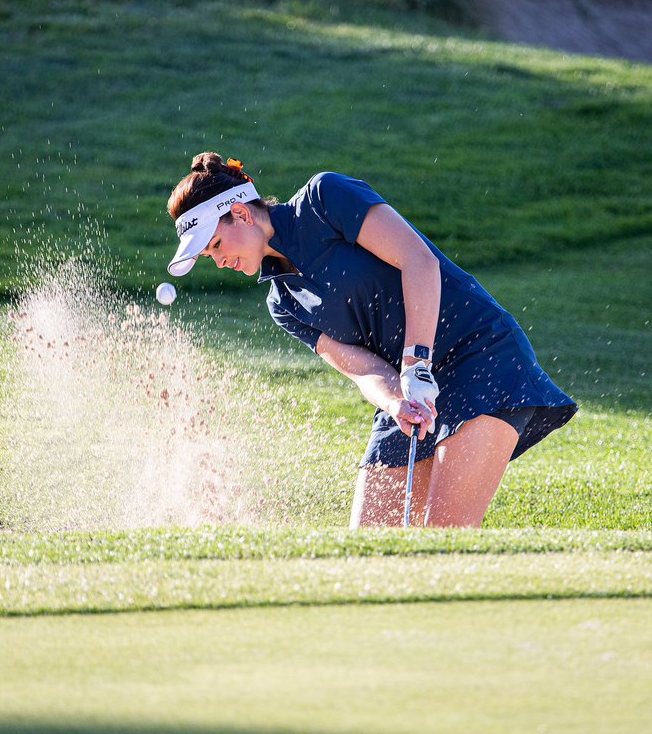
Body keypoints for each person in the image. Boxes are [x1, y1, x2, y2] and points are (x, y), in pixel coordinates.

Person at [166, 152, 577, 528]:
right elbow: (362, 369)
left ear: (241, 213)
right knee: (368, 545)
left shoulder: (323, 199)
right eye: (208, 256)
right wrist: (395, 402)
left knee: (444, 535)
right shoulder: (282, 303)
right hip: (408, 386)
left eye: (216, 245)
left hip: (477, 354)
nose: (219, 260)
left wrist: (416, 361)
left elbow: (418, 260)